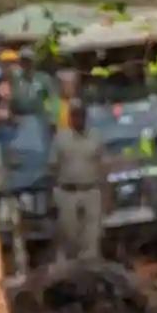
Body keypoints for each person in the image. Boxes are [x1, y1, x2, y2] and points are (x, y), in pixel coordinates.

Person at [49, 102, 104, 262]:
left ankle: (91, 268)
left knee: (92, 234)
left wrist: (107, 194)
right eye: (75, 115)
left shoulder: (96, 137)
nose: (78, 118)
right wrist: (51, 197)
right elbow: (52, 167)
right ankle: (73, 266)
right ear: (70, 118)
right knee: (70, 232)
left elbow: (102, 164)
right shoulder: (60, 138)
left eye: (81, 115)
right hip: (67, 192)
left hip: (91, 190)